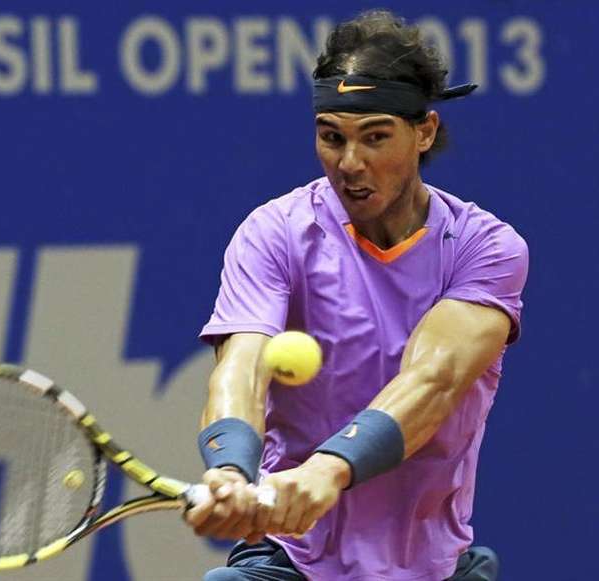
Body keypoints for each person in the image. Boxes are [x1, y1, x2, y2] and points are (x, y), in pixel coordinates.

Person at [184, 9, 529, 581]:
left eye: (375, 137)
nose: (350, 163)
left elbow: (433, 382)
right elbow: (241, 368)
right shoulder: (274, 233)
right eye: (331, 136)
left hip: (434, 565)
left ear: (424, 131)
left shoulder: (486, 249)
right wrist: (229, 469)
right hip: (291, 558)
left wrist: (328, 469)